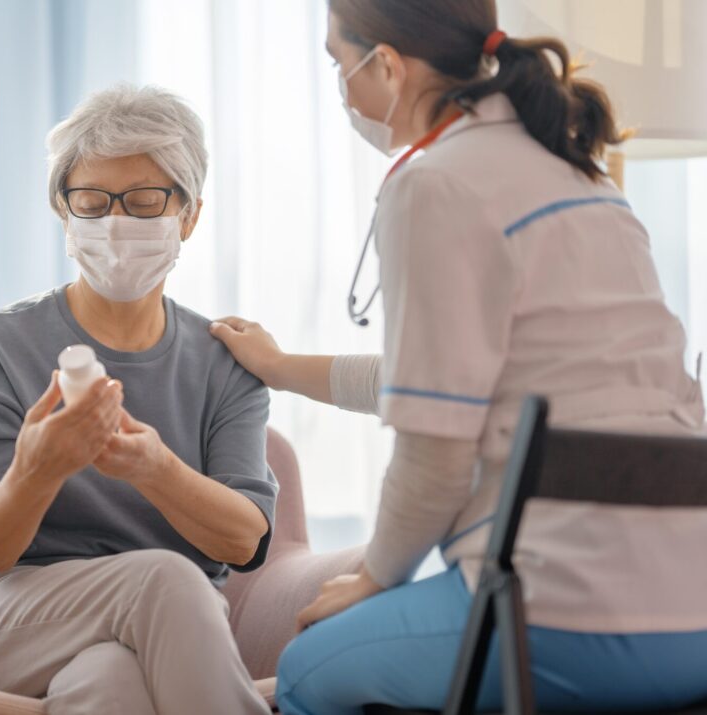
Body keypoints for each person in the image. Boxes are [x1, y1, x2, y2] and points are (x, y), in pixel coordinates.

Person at [209, 1, 707, 712]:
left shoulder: (433, 184)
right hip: (693, 612)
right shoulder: (585, 181)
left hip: (564, 621)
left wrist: (375, 577)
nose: (340, 88)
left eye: (335, 63)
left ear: (383, 64)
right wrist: (284, 367)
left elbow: (435, 454)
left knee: (306, 667)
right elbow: (448, 382)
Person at [0, 84, 276, 715]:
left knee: (112, 683)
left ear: (188, 215)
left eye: (142, 201)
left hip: (151, 627)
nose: (115, 223)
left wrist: (154, 469)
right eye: (92, 201)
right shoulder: (2, 347)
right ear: (64, 211)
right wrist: (38, 469)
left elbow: (243, 541)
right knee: (162, 579)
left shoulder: (224, 363)